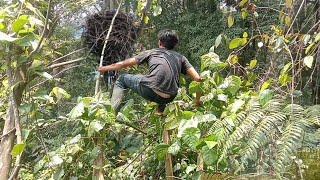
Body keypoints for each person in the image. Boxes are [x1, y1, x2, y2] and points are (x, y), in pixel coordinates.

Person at [98, 29, 202, 114]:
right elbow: (197, 79)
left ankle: (110, 114)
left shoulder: (152, 52)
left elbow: (122, 64)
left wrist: (104, 69)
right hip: (169, 97)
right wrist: (197, 101)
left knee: (122, 79)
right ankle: (160, 111)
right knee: (160, 82)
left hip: (150, 90)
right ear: (174, 45)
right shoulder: (181, 58)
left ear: (160, 42)